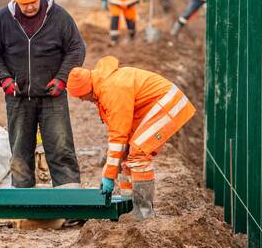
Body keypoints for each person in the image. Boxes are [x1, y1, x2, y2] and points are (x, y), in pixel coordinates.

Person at [0, 0, 84, 188]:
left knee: (61, 150)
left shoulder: (59, 17)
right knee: (20, 154)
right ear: (16, 1)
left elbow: (76, 48)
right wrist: (5, 80)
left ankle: (71, 205)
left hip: (52, 96)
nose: (29, 7)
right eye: (24, 3)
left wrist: (62, 78)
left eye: (33, 2)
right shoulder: (3, 19)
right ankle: (24, 208)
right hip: (18, 98)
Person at [67, 55, 195, 220]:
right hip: (153, 108)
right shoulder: (102, 87)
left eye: (81, 97)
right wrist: (113, 167)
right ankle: (128, 206)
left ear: (87, 90)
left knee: (138, 155)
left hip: (168, 105)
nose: (82, 100)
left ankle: (143, 213)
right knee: (126, 154)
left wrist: (108, 176)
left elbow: (118, 135)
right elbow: (120, 137)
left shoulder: (112, 89)